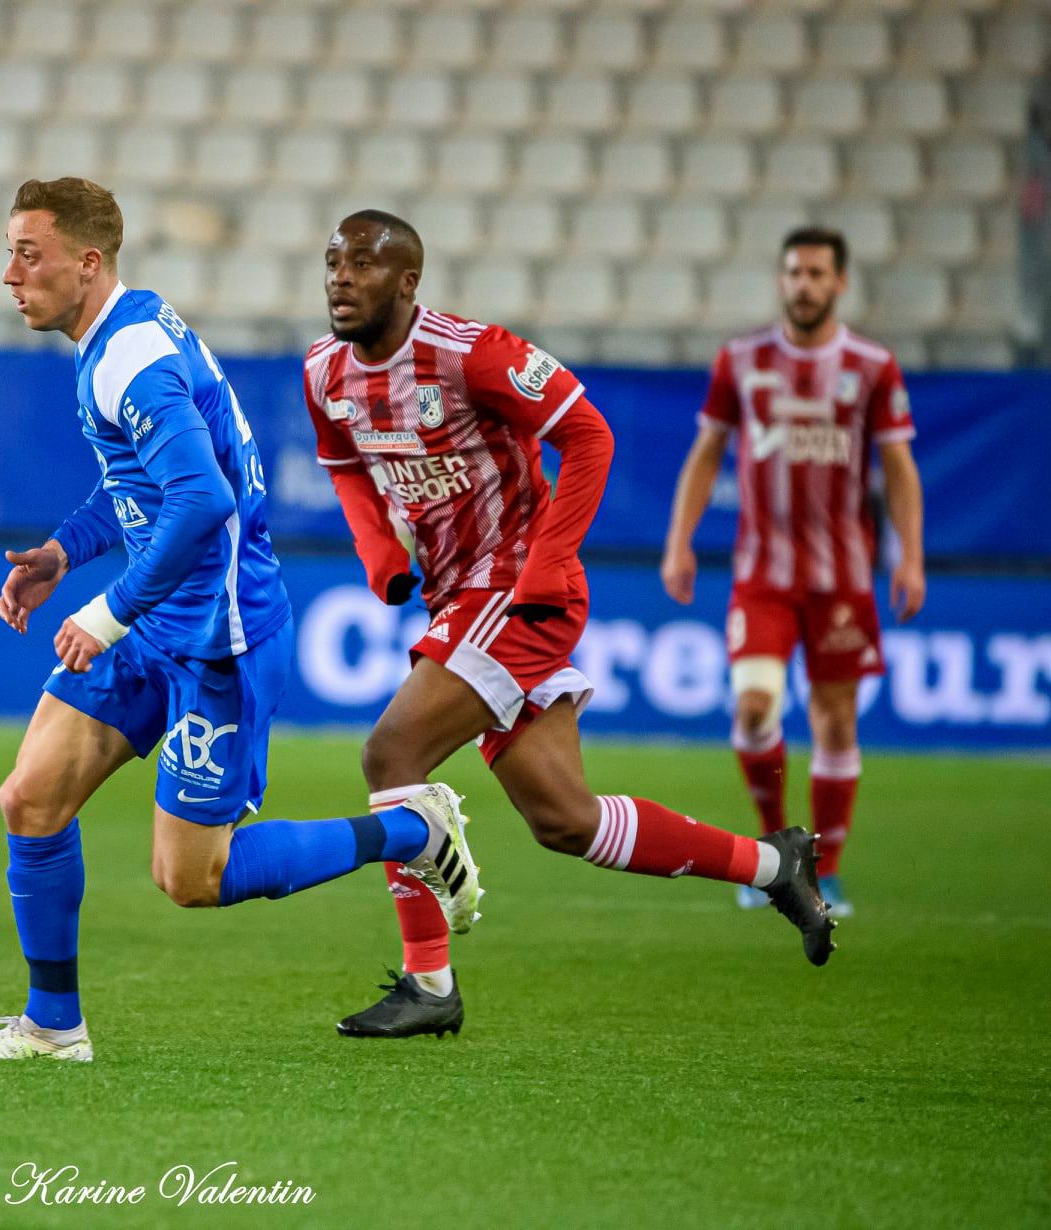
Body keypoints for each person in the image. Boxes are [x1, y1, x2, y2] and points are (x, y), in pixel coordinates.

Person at [0, 180, 479, 1063]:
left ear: (87, 261)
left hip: (216, 637)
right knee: (30, 799)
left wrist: (108, 611)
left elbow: (200, 497)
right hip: (160, 615)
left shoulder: (129, 357)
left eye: (27, 254)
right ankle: (53, 1029)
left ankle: (415, 833)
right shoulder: (120, 332)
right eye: (10, 252)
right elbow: (143, 490)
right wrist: (66, 553)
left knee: (191, 879)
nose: (9, 274)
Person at [309, 211, 837, 1038]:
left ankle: (430, 984)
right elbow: (343, 465)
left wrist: (551, 559)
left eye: (365, 264)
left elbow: (589, 435)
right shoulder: (324, 371)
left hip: (515, 590)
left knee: (391, 753)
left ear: (408, 282)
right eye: (334, 260)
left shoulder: (473, 352)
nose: (342, 276)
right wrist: (379, 546)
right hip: (458, 596)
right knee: (566, 820)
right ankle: (777, 864)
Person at [662, 227, 925, 918]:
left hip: (842, 579)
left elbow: (899, 468)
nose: (803, 284)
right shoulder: (742, 360)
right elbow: (705, 452)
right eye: (793, 273)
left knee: (835, 724)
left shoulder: (871, 365)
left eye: (816, 273)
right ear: (781, 281)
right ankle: (778, 858)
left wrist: (911, 556)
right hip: (763, 575)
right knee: (753, 708)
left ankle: (826, 871)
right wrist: (679, 541)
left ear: (839, 282)